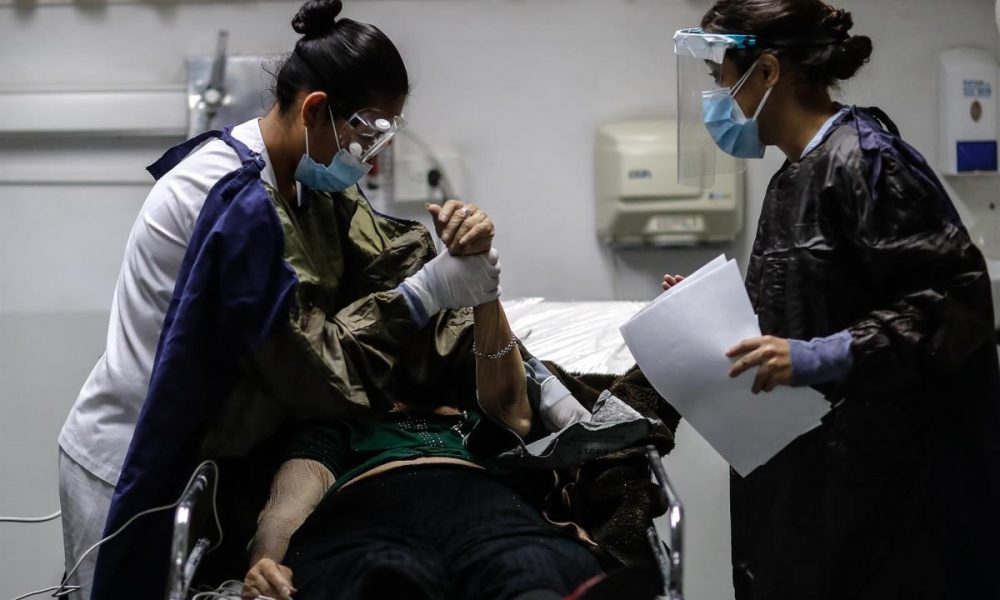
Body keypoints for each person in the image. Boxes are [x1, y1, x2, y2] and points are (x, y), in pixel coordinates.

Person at [57, 1, 567, 597]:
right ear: (317, 110)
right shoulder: (228, 203)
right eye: (368, 132)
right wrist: (429, 291)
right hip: (139, 460)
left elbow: (385, 262)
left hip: (220, 452)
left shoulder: (300, 179)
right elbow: (312, 369)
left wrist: (471, 269)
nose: (371, 156)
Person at [665, 1, 1000, 598]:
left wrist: (821, 357)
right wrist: (704, 315)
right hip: (817, 486)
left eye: (722, 79)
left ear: (767, 72)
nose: (717, 99)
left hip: (888, 502)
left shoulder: (868, 161)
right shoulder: (794, 175)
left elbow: (955, 304)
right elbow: (805, 309)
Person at [240, 299, 609, 600]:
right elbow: (288, 504)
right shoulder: (343, 418)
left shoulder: (484, 409)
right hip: (366, 515)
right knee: (378, 575)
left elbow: (515, 398)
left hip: (485, 510)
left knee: (528, 568)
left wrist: (483, 289)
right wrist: (267, 563)